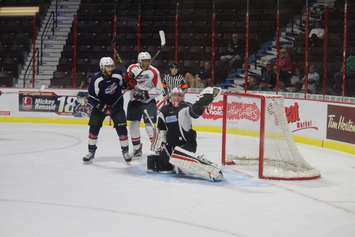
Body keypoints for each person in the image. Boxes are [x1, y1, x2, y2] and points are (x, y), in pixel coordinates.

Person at [148, 87, 223, 181]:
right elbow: (161, 129)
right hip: (171, 145)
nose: (177, 97)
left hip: (188, 144)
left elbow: (195, 112)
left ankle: (211, 171)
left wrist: (203, 101)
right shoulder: (164, 110)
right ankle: (172, 161)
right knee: (163, 167)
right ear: (170, 97)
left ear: (183, 97)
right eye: (175, 95)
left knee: (178, 157)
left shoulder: (186, 106)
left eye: (179, 95)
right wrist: (160, 144)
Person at [82, 57, 131, 163]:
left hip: (117, 106)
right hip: (100, 107)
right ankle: (91, 152)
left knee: (122, 129)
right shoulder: (96, 79)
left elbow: (123, 86)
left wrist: (129, 84)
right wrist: (102, 107)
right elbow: (91, 97)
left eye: (111, 66)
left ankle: (125, 152)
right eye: (107, 67)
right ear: (102, 67)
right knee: (93, 128)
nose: (110, 69)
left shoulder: (117, 74)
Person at [125, 51, 165, 159]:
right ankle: (137, 148)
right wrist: (128, 81)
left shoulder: (154, 71)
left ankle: (157, 148)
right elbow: (127, 82)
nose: (146, 62)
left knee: (150, 126)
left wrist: (145, 94)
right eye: (144, 61)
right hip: (134, 102)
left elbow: (159, 89)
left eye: (148, 60)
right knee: (133, 125)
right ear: (139, 61)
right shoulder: (132, 68)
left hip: (148, 102)